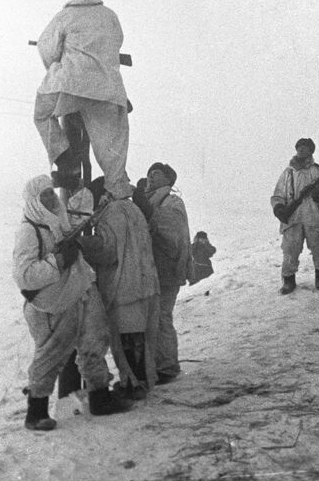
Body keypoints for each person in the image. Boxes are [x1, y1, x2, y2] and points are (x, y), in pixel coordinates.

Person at [12, 175, 132, 431]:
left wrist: (88, 190)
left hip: (80, 289)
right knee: (52, 353)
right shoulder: (28, 231)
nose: (49, 198)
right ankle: (36, 412)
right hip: (53, 303)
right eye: (43, 195)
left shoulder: (59, 220)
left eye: (50, 193)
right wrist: (58, 262)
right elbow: (24, 276)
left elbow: (77, 217)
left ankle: (100, 397)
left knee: (96, 340)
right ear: (33, 200)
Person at [33, 0, 131, 198]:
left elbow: (47, 50)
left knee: (42, 114)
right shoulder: (110, 16)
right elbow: (116, 44)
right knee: (112, 145)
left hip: (70, 85)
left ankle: (66, 161)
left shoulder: (64, 16)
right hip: (107, 89)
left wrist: (58, 66)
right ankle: (117, 192)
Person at [78, 177, 160, 400]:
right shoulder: (131, 207)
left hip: (124, 287)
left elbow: (108, 250)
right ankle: (144, 381)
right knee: (141, 339)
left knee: (127, 341)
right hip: (146, 284)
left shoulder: (111, 214)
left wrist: (83, 246)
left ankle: (133, 385)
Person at [144, 163, 193, 384]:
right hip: (153, 268)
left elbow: (172, 233)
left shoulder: (172, 202)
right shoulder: (152, 201)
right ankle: (156, 364)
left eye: (156, 174)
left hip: (167, 268)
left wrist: (148, 214)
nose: (150, 177)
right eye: (149, 174)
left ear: (169, 180)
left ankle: (167, 365)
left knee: (162, 316)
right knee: (152, 317)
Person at [270, 138, 319, 295]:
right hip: (293, 219)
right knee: (290, 250)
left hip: (316, 217)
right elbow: (278, 195)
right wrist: (280, 208)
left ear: (311, 151)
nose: (302, 150)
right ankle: (288, 280)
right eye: (299, 147)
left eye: (306, 147)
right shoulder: (288, 173)